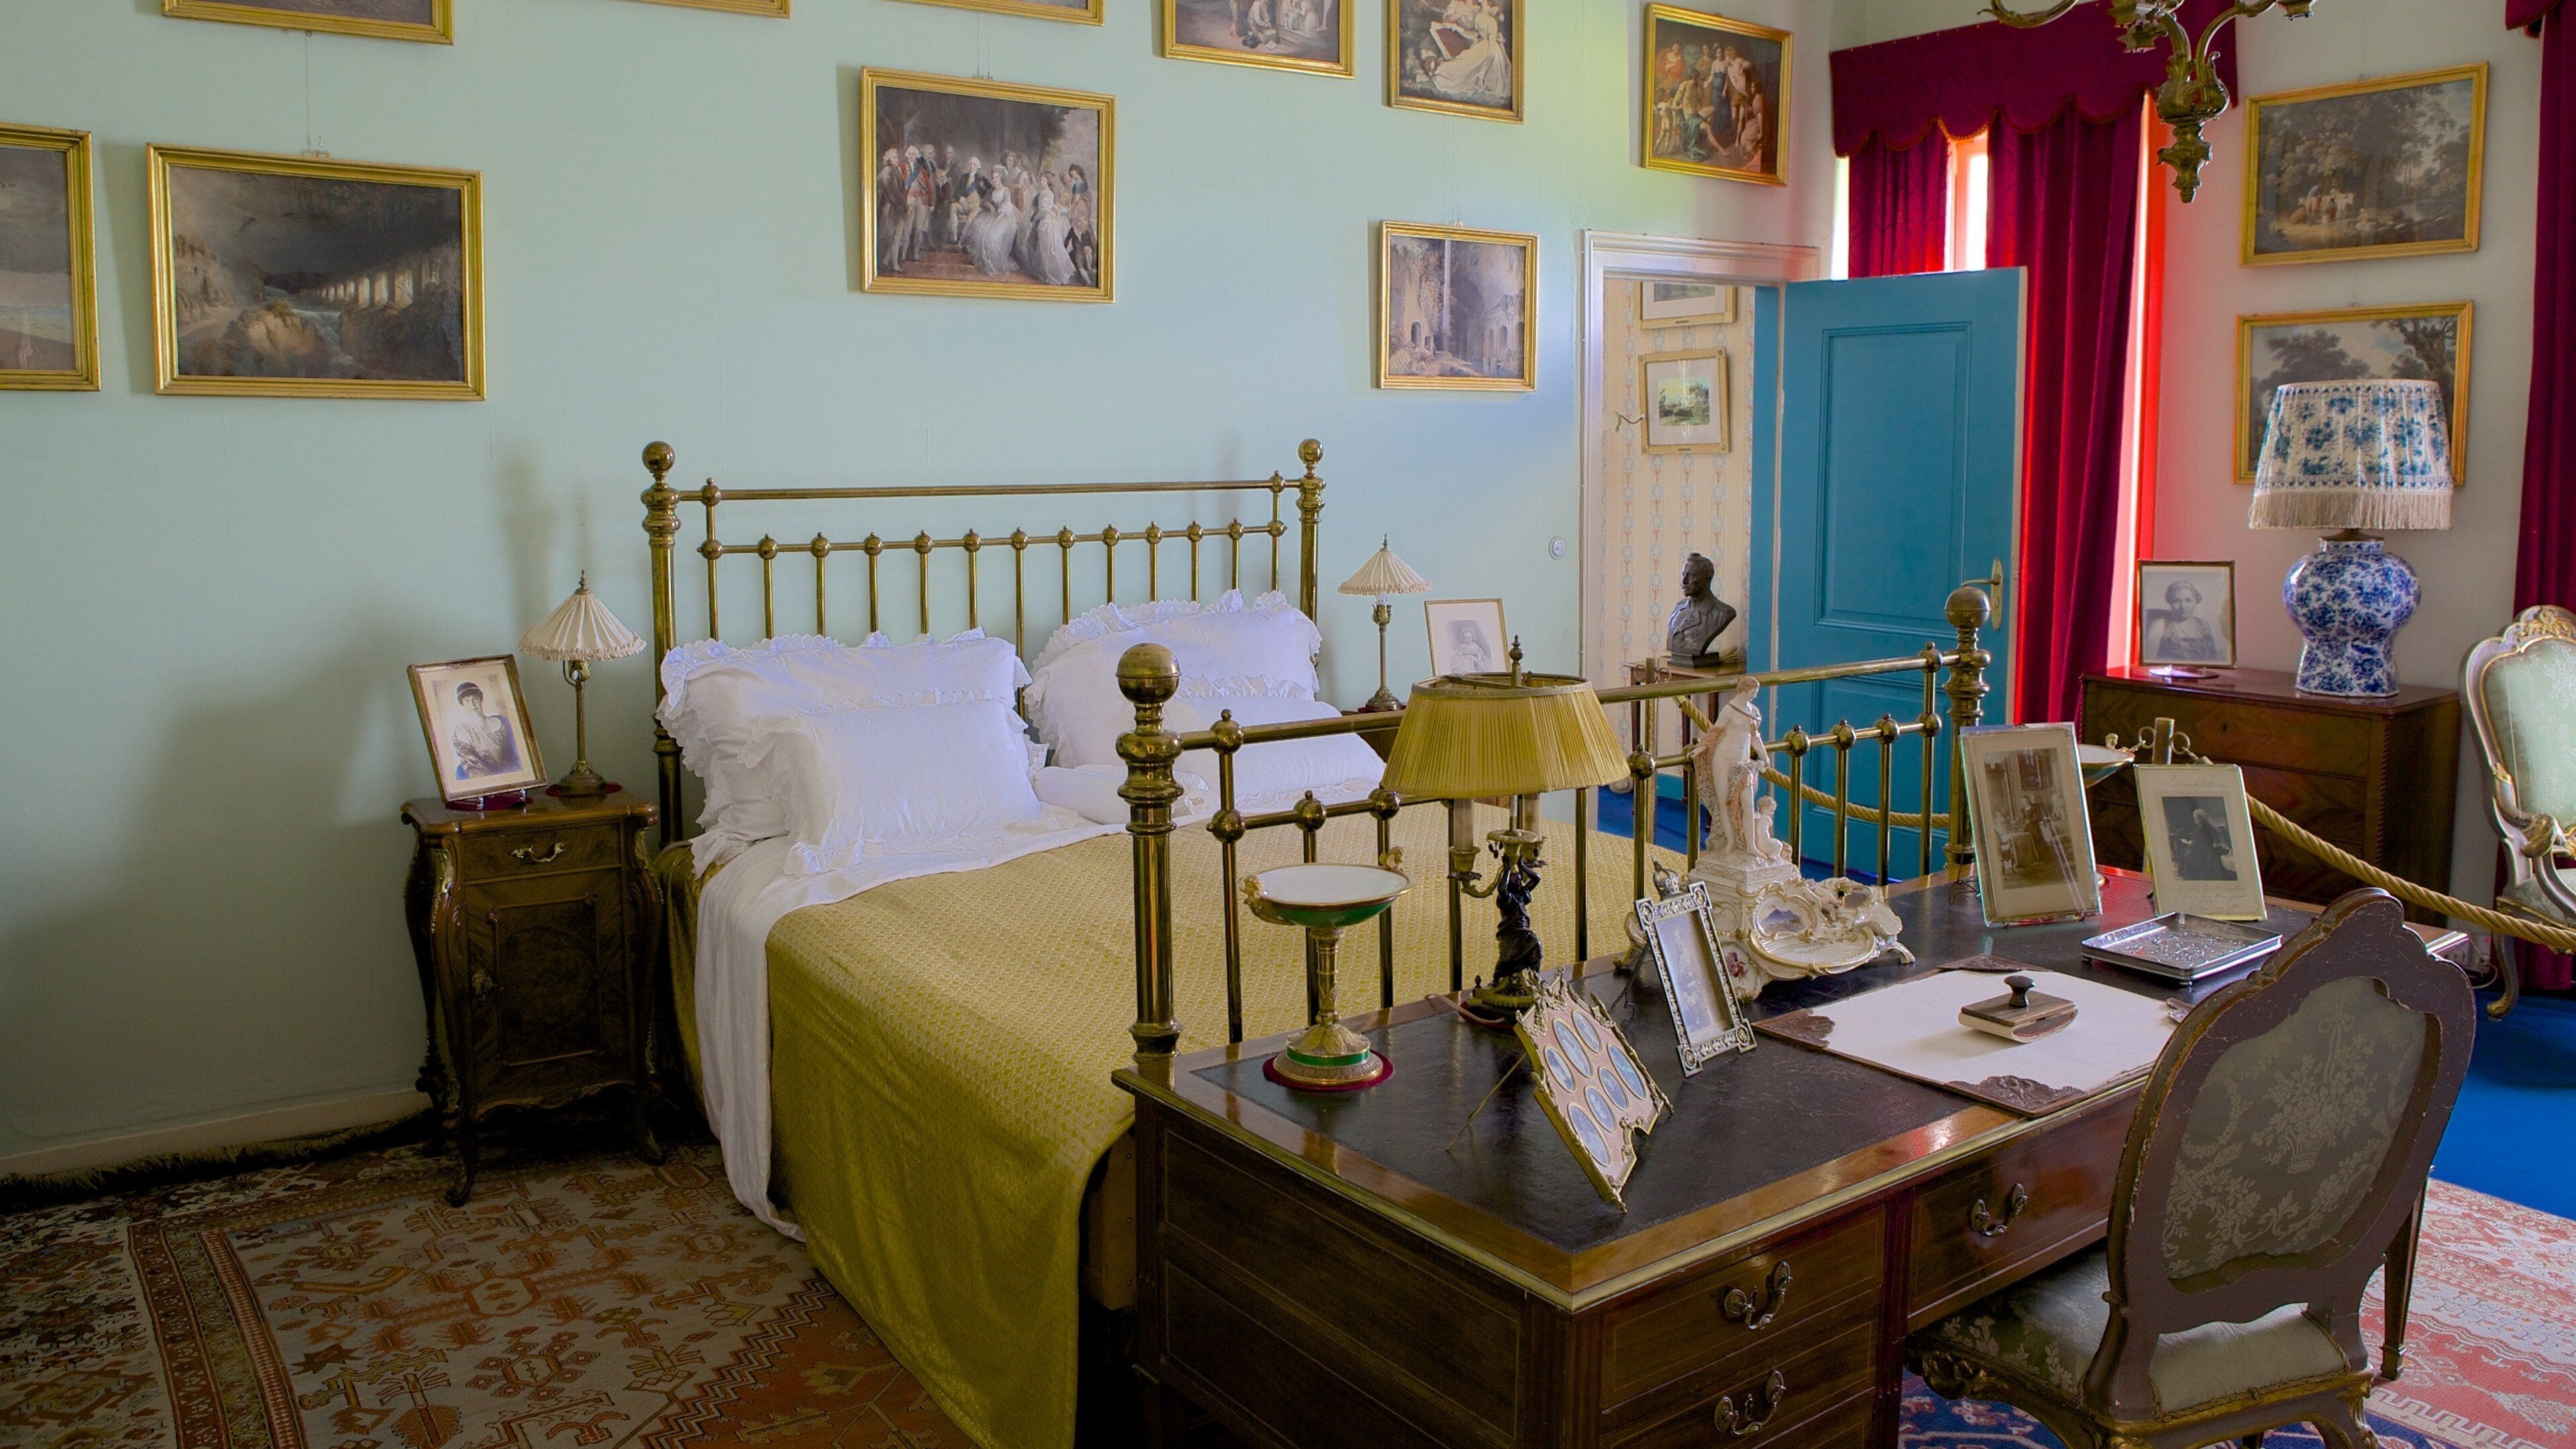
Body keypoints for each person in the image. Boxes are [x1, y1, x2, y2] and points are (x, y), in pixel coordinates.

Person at [1666, 551, 1738, 665]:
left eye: (1691, 576)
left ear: (1707, 580)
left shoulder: (1722, 614)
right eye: (1683, 574)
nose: (1684, 581)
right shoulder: (1678, 608)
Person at [449, 680, 521, 782]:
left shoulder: (502, 722)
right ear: (462, 704)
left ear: (481, 700)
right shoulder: (462, 731)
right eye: (467, 701)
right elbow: (472, 765)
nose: (473, 705)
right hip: (486, 782)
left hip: (513, 777)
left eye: (475, 699)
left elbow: (518, 752)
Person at [2143, 578, 2221, 662]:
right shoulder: (2159, 626)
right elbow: (2149, 662)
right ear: (2170, 602)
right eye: (2177, 601)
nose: (2183, 606)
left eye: (2188, 600)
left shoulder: (2203, 625)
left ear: (2197, 601)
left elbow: (2213, 659)